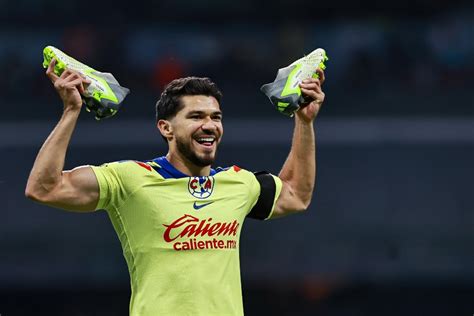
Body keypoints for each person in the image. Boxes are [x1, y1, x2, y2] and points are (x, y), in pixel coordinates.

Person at [25, 58, 326, 316]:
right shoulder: (130, 179)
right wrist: (71, 111)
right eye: (196, 116)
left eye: (215, 117)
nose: (209, 125)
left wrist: (304, 121)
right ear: (166, 128)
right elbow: (44, 188)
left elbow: (296, 194)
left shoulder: (238, 182)